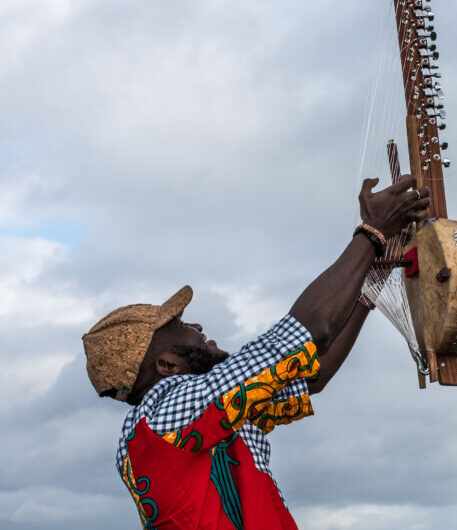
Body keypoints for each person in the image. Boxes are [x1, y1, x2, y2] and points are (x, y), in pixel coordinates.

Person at [82, 176, 430, 529]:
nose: (199, 329)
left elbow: (312, 372)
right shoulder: (168, 410)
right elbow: (303, 335)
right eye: (183, 327)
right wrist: (372, 233)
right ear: (167, 365)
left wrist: (371, 274)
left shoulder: (200, 422)